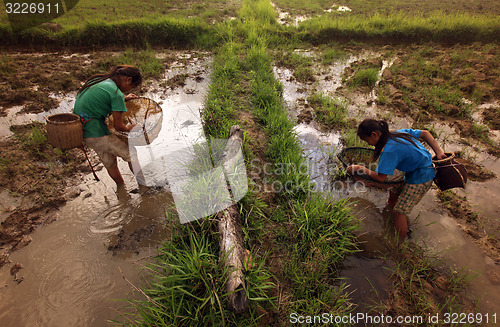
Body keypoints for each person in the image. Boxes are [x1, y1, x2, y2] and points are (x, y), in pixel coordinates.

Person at [347, 119, 447, 240]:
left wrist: (360, 168)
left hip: (421, 177)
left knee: (399, 212)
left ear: (374, 134)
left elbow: (381, 178)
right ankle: (389, 217)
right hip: (416, 169)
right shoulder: (398, 133)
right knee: (394, 193)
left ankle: (399, 243)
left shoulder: (389, 150)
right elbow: (425, 133)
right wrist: (439, 152)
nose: (368, 144)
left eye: (366, 140)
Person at [74, 65, 142, 185]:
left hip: (83, 131)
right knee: (131, 153)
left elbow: (100, 99)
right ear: (128, 79)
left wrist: (123, 99)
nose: (128, 90)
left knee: (109, 162)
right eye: (131, 87)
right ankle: (145, 186)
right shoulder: (116, 94)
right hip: (98, 132)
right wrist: (129, 128)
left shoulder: (99, 80)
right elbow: (119, 126)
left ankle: (121, 190)